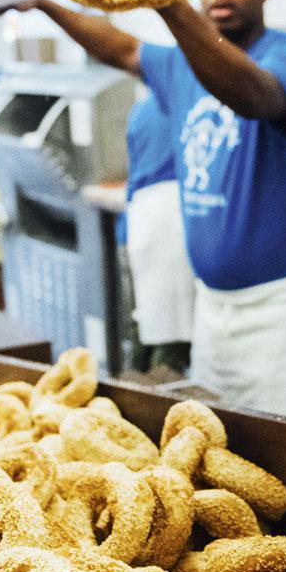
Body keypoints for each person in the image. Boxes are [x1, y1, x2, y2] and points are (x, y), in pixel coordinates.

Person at [0, 0, 286, 426]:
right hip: (214, 311)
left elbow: (252, 96)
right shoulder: (181, 65)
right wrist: (46, 5)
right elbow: (121, 48)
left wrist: (167, 0)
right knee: (232, 454)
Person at [121, 90, 195, 373]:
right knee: (170, 348)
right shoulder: (191, 104)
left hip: (137, 225)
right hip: (170, 229)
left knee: (142, 335)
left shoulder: (144, 107)